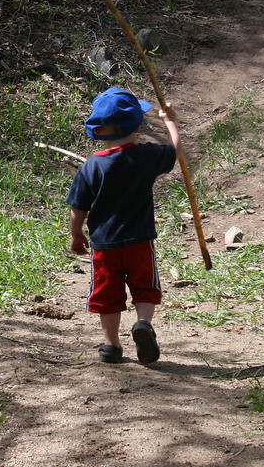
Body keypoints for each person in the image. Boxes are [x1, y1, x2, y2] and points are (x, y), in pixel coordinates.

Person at [66, 87, 179, 364]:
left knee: (107, 293)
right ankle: (143, 323)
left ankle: (111, 346)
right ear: (136, 125)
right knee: (144, 287)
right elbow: (175, 152)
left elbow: (78, 206)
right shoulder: (145, 156)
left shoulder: (92, 166)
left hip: (104, 245)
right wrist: (170, 121)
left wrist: (76, 235)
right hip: (140, 240)